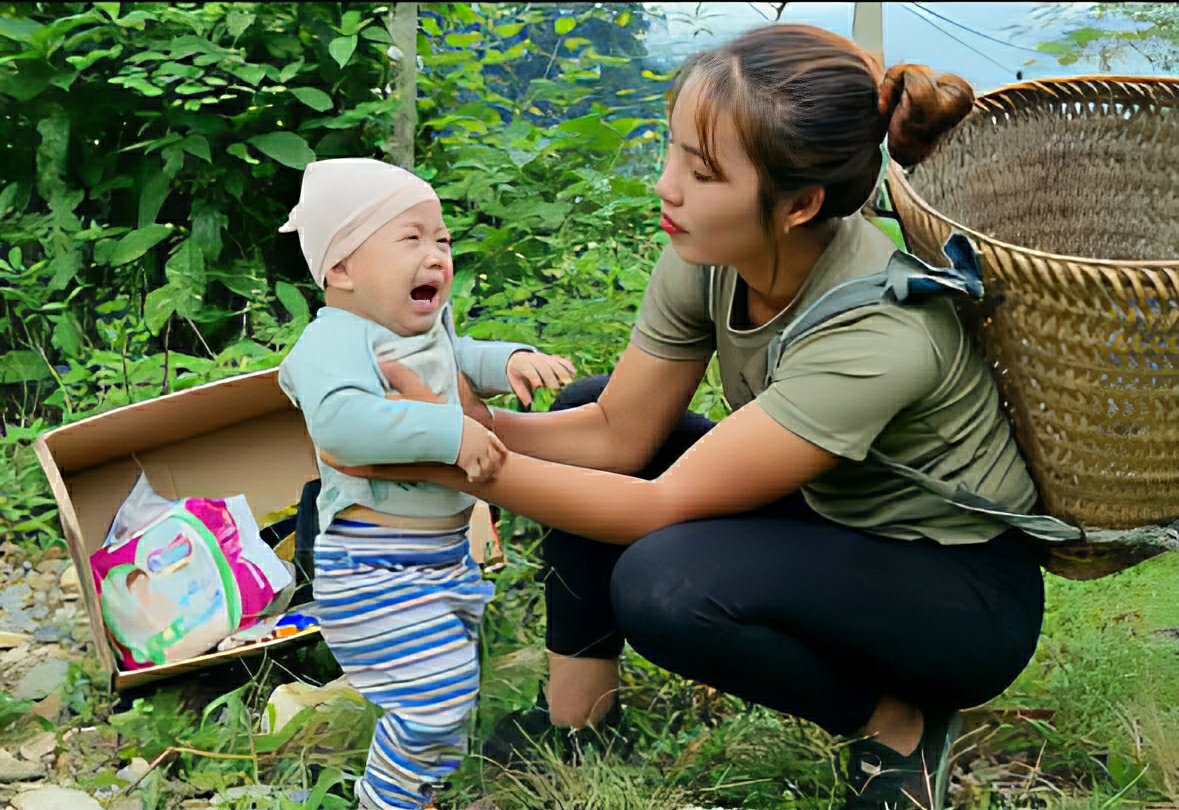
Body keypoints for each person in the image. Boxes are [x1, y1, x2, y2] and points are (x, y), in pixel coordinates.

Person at [340, 24, 1045, 810]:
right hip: (833, 520)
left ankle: (899, 726)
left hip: (953, 589)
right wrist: (471, 424)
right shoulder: (705, 255)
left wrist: (441, 457)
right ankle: (580, 713)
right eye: (673, 150)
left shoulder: (879, 331)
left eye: (703, 172)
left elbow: (657, 507)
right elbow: (617, 434)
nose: (667, 186)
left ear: (800, 204)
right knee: (581, 413)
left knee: (666, 587)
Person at [275, 157, 575, 810]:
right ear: (342, 270)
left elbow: (458, 357)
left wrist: (511, 359)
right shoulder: (335, 340)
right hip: (372, 567)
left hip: (437, 562)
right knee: (435, 700)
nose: (436, 254)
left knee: (443, 698)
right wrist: (451, 433)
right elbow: (343, 425)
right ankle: (382, 803)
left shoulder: (419, 331)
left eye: (441, 239)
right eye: (410, 238)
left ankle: (415, 794)